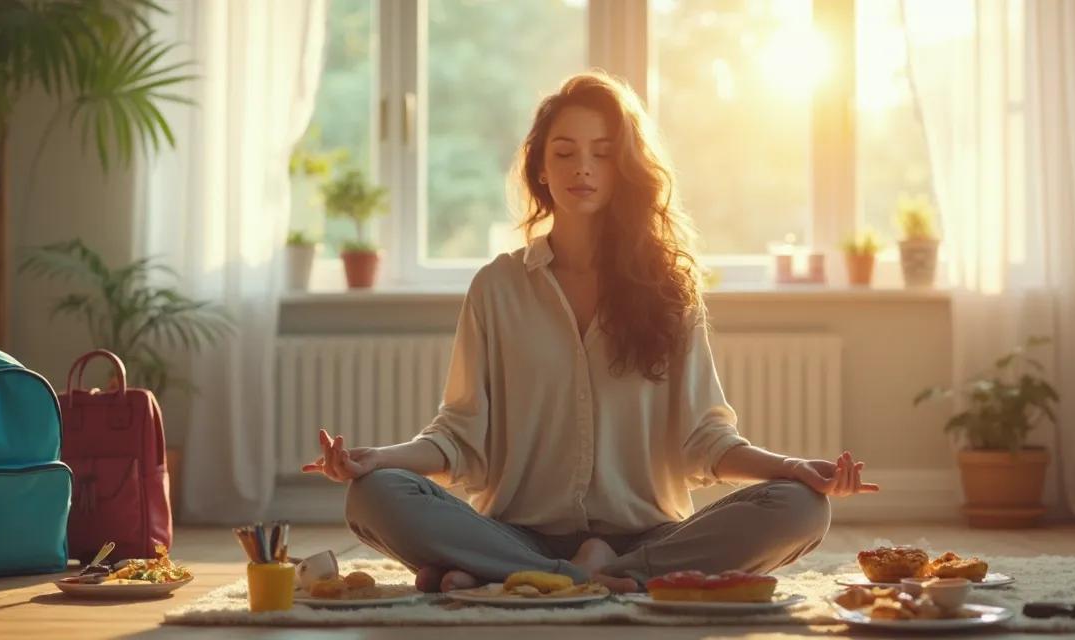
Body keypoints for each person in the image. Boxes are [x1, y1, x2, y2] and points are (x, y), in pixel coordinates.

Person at [304, 71, 879, 594]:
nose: (583, 168)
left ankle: (508, 578)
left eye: (602, 154)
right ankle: (577, 577)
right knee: (374, 496)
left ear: (623, 169)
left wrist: (792, 469)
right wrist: (379, 458)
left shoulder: (670, 289)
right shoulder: (496, 288)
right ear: (541, 169)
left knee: (802, 509)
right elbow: (459, 440)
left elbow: (706, 442)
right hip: (515, 532)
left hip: (649, 538)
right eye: (566, 152)